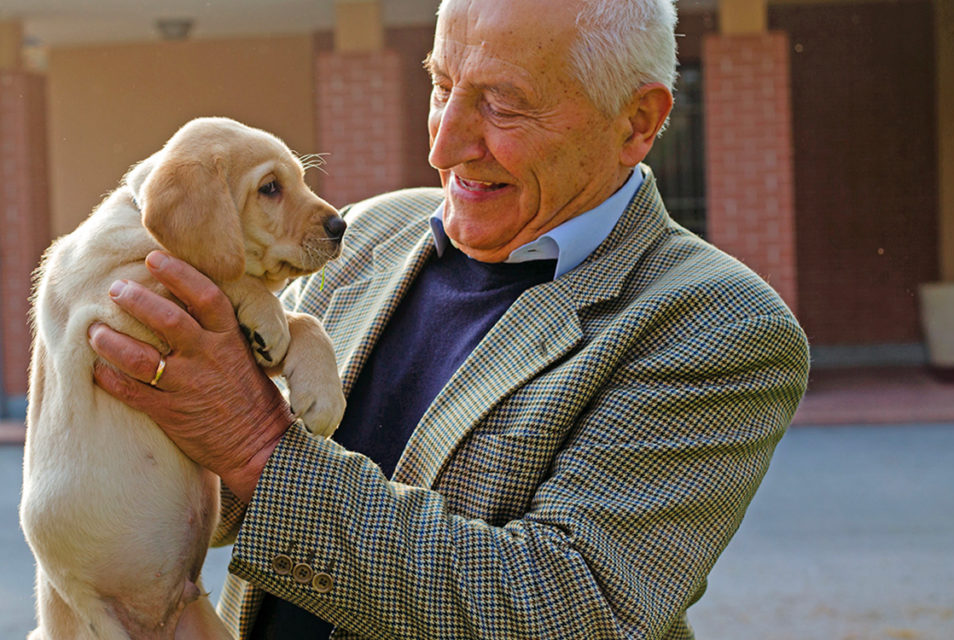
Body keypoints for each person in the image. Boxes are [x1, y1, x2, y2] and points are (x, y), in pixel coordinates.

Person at [88, 0, 810, 637]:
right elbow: (233, 514)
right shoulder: (362, 235)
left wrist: (255, 443)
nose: (442, 144)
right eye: (440, 86)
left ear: (636, 122)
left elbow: (567, 610)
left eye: (502, 105)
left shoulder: (716, 322)